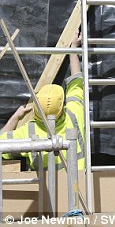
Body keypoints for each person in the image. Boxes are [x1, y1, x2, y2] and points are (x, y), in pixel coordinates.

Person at [0, 31, 85, 170]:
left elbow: (1, 145)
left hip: (45, 191)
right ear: (62, 106)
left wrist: (15, 118)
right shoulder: (74, 116)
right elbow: (76, 79)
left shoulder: (28, 132)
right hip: (79, 185)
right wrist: (73, 48)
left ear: (36, 108)